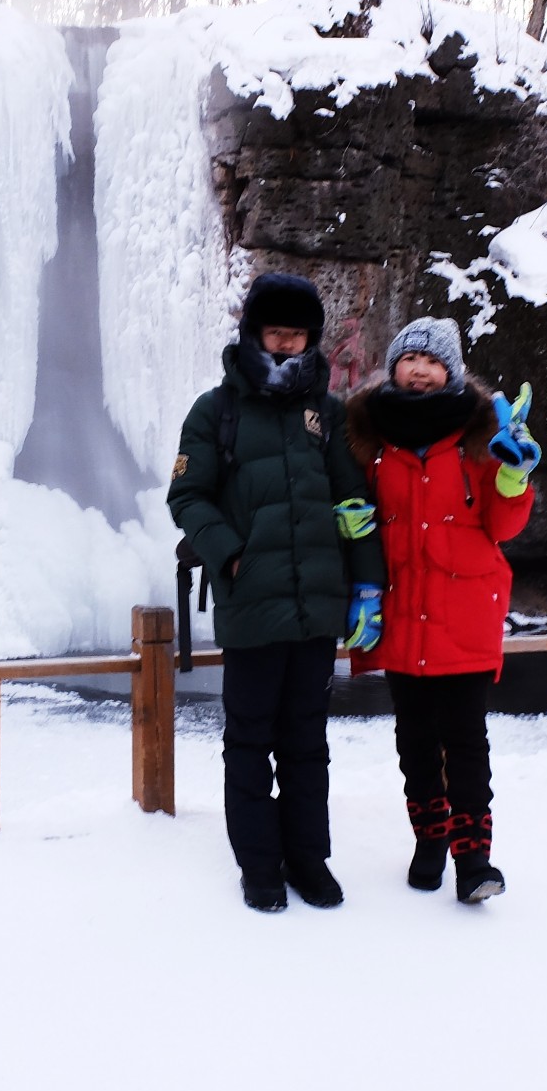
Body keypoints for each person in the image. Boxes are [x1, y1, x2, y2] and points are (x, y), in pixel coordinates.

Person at [167, 272, 387, 913]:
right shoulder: (216, 411)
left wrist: (366, 584)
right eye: (276, 332)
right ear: (254, 333)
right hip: (253, 603)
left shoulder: (329, 413)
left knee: (306, 742)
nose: (288, 344)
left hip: (317, 606)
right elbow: (187, 496)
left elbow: (355, 504)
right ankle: (260, 866)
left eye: (298, 334)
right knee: (250, 739)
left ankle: (308, 860)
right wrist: (229, 554)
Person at [345, 317, 539, 904]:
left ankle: (473, 860)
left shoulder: (482, 436)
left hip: (464, 616)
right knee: (415, 741)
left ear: (451, 371)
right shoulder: (370, 440)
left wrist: (513, 475)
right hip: (403, 616)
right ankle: (428, 841)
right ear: (394, 367)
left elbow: (504, 526)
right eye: (410, 359)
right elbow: (357, 517)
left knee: (467, 741)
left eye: (432, 361)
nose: (420, 370)